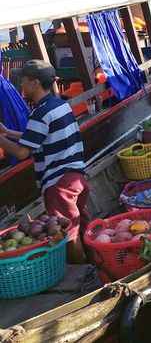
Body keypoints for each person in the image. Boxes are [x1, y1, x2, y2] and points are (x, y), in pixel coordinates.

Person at [0, 61, 88, 263]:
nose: (20, 85)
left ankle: (84, 274)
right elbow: (37, 137)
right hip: (76, 177)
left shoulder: (39, 113)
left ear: (35, 83)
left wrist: (1, 139)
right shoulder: (58, 105)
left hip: (59, 184)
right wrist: (8, 133)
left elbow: (23, 153)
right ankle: (94, 260)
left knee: (67, 233)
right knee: (80, 223)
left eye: (23, 81)